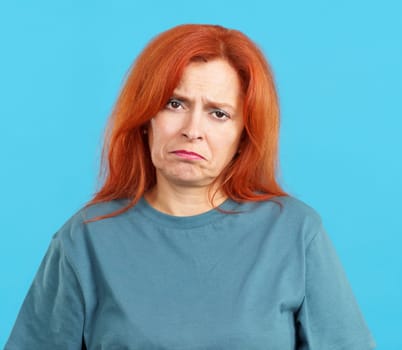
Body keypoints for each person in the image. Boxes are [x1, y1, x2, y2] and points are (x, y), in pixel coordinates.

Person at [5, 24, 375, 349]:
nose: (192, 129)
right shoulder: (85, 239)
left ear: (243, 135)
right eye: (174, 103)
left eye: (219, 113)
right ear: (145, 117)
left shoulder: (295, 232)